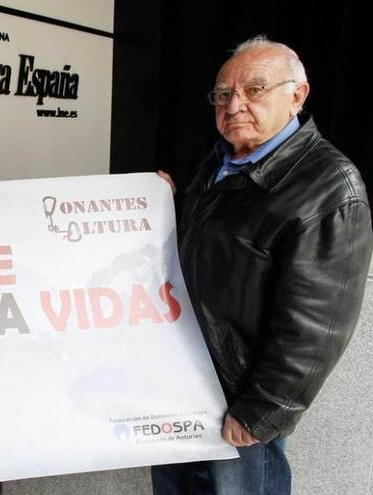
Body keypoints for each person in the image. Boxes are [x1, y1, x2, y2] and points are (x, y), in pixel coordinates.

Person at [152, 36, 372, 494]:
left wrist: (262, 411)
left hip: (241, 400)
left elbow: (317, 324)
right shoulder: (219, 163)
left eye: (254, 90)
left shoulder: (328, 184)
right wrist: (158, 205)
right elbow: (210, 253)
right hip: (184, 385)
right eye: (224, 94)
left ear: (297, 95)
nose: (235, 105)